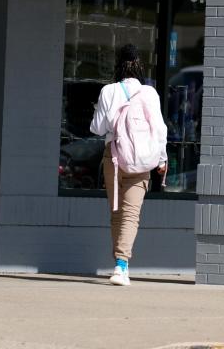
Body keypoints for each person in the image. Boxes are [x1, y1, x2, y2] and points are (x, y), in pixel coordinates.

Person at [90, 44, 167, 287]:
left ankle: (119, 264)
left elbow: (97, 128)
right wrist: (162, 159)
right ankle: (122, 266)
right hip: (142, 159)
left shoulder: (108, 91)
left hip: (113, 157)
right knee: (131, 214)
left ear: (118, 66)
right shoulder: (149, 93)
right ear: (139, 66)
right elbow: (159, 129)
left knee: (116, 212)